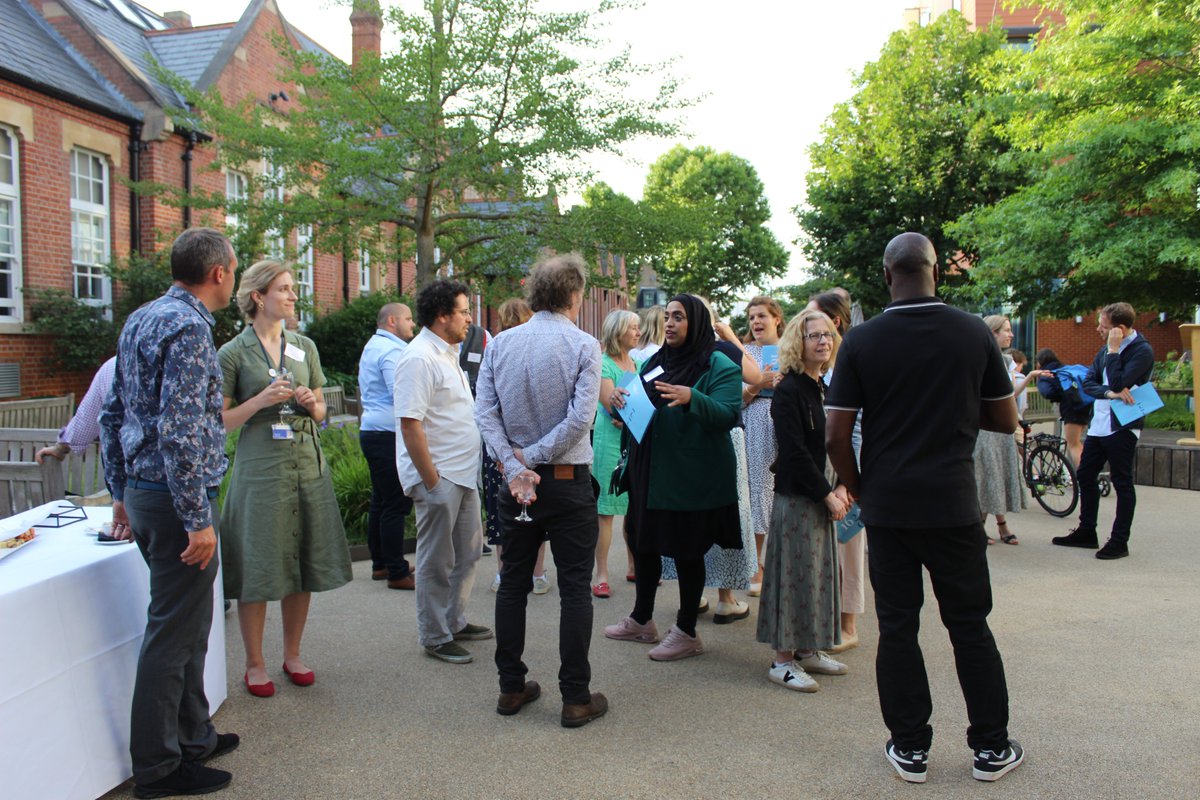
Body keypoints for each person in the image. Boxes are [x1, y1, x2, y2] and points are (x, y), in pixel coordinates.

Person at [826, 232, 1024, 784]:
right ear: (937, 271)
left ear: (889, 275)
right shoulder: (972, 333)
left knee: (898, 626)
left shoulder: (862, 341)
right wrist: (956, 414)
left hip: (889, 506)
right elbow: (1006, 421)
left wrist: (857, 484)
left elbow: (836, 433)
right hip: (955, 504)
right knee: (969, 626)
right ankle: (991, 747)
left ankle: (910, 747)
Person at [99, 227, 239, 798]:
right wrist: (196, 519)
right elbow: (181, 432)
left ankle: (194, 734)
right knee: (172, 634)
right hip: (176, 498)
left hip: (145, 490)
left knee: (189, 626)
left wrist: (119, 490)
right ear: (220, 273)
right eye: (234, 267)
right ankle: (158, 768)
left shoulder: (142, 318)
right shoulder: (185, 328)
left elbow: (113, 413)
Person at [475, 252, 608, 727]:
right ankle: (575, 697)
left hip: (518, 484)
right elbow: (580, 420)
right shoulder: (584, 345)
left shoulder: (501, 344)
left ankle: (511, 688)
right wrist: (528, 459)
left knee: (513, 582)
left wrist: (515, 462)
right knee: (575, 588)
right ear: (575, 295)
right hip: (567, 483)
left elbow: (484, 412)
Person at [218, 260, 353, 697]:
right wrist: (258, 400)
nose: (294, 296)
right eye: (284, 289)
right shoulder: (232, 354)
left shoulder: (304, 346)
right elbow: (220, 422)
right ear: (258, 297)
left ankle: (292, 653)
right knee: (258, 564)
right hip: (260, 470)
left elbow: (320, 413)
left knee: (302, 560)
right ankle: (254, 663)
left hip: (305, 464)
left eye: (293, 289)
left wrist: (313, 402)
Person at [604, 294, 742, 661]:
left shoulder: (719, 364)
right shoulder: (654, 361)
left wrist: (692, 397)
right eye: (667, 317)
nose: (670, 324)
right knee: (643, 540)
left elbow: (729, 414)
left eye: (678, 317)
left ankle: (686, 631)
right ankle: (642, 620)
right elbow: (641, 403)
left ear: (696, 322)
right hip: (649, 470)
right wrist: (622, 399)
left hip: (690, 476)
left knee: (686, 549)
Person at [394, 279, 491, 664]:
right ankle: (435, 635)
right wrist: (431, 480)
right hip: (441, 476)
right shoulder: (419, 358)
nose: (470, 318)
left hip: (462, 473)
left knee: (467, 554)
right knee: (436, 560)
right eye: (464, 311)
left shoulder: (446, 351)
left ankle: (454, 619)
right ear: (441, 315)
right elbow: (410, 424)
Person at [758, 309, 850, 692]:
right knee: (793, 578)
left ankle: (809, 648)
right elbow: (794, 452)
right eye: (814, 336)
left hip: (823, 494)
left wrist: (844, 485)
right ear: (799, 341)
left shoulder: (821, 387)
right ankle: (782, 660)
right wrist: (827, 494)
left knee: (817, 574)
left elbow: (835, 444)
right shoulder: (790, 391)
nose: (823, 341)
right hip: (798, 498)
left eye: (827, 334)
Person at [1053, 302, 1154, 560]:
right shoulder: (1103, 350)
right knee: (1085, 474)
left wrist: (1113, 350)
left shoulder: (1141, 351)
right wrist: (1110, 393)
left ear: (1119, 329)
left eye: (1103, 325)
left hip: (1123, 425)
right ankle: (1087, 531)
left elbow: (1121, 381)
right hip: (1099, 425)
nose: (1098, 328)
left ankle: (1120, 541)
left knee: (1122, 482)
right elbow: (1089, 383)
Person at [808, 290, 863, 652]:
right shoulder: (817, 369)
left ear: (835, 323)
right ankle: (824, 619)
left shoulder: (853, 366)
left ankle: (849, 624)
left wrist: (847, 484)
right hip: (817, 474)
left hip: (849, 472)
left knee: (849, 548)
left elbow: (858, 428)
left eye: (814, 320)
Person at [483, 298, 551, 594]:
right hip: (533, 445)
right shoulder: (538, 350)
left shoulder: (495, 347)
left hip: (500, 445)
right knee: (534, 509)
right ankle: (537, 575)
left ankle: (503, 573)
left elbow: (486, 404)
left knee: (501, 512)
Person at [357, 302, 418, 590]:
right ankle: (397, 571)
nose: (412, 324)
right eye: (408, 318)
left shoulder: (373, 345)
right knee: (396, 503)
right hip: (387, 433)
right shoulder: (392, 351)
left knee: (381, 501)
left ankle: (381, 564)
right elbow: (402, 394)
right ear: (392, 320)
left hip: (372, 430)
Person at [973, 315, 1039, 545]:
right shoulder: (978, 358)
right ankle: (982, 526)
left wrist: (1029, 376)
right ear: (992, 333)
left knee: (996, 475)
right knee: (986, 475)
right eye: (1006, 330)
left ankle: (1000, 525)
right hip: (985, 426)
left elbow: (1009, 393)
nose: (1011, 334)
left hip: (1002, 427)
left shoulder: (1006, 360)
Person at [590, 308, 642, 598]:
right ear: (617, 331)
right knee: (607, 510)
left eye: (638, 327)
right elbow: (613, 406)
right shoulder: (604, 364)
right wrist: (623, 410)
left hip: (635, 440)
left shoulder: (637, 363)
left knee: (634, 506)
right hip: (611, 441)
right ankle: (602, 574)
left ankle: (634, 566)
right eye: (632, 327)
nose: (638, 332)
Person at [740, 296, 785, 595]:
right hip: (755, 422)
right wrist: (759, 385)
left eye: (762, 316)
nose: (756, 322)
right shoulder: (745, 352)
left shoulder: (791, 349)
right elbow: (735, 398)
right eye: (752, 317)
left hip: (786, 423)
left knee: (782, 490)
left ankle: (776, 563)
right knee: (759, 489)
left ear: (777, 319)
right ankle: (755, 565)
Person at [1034, 348, 1093, 466]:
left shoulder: (1047, 375)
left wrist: (1059, 397)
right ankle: (1088, 474)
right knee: (1078, 443)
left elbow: (1048, 393)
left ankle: (1085, 478)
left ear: (1039, 363)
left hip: (1072, 409)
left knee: (1073, 445)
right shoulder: (1067, 370)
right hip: (1088, 406)